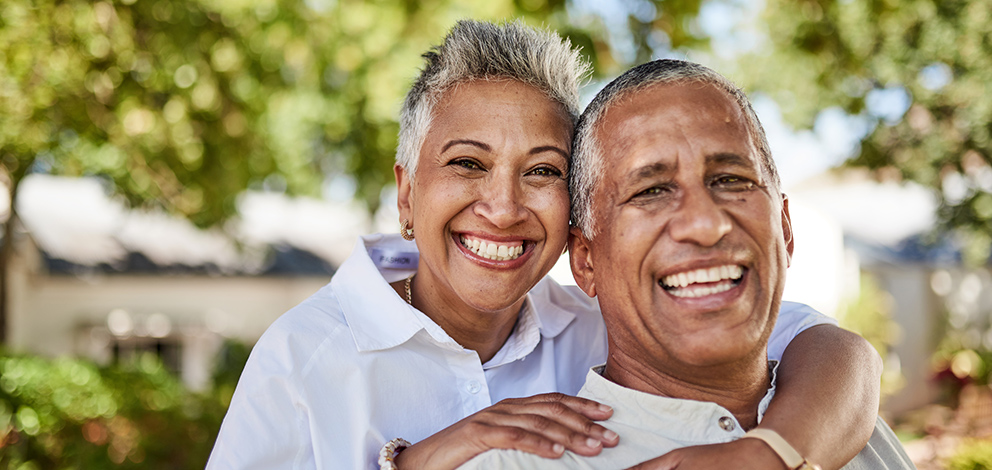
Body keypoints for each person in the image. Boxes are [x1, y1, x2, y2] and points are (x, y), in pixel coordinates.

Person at [207, 21, 882, 470]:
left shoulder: (605, 318)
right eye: (467, 164)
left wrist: (772, 452)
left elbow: (833, 349)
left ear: (576, 225)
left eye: (542, 172)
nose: (502, 208)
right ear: (406, 195)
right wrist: (416, 462)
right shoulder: (305, 357)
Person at [458, 59, 915, 470]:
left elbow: (845, 350)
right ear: (586, 260)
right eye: (651, 191)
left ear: (784, 228)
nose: (705, 223)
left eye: (731, 179)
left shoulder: (843, 422)